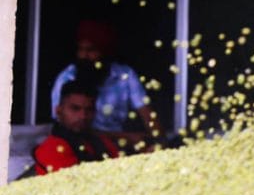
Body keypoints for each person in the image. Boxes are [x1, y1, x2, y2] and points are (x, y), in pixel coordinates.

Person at [51, 19, 163, 151]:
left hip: (119, 147)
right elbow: (66, 128)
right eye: (80, 49)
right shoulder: (67, 78)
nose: (84, 55)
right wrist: (125, 137)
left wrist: (159, 142)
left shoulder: (125, 75)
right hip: (81, 145)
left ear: (105, 52)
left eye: (91, 50)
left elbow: (148, 116)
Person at [33, 80, 120, 176]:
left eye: (89, 109)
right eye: (75, 108)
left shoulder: (103, 142)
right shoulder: (52, 147)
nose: (83, 116)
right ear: (58, 111)